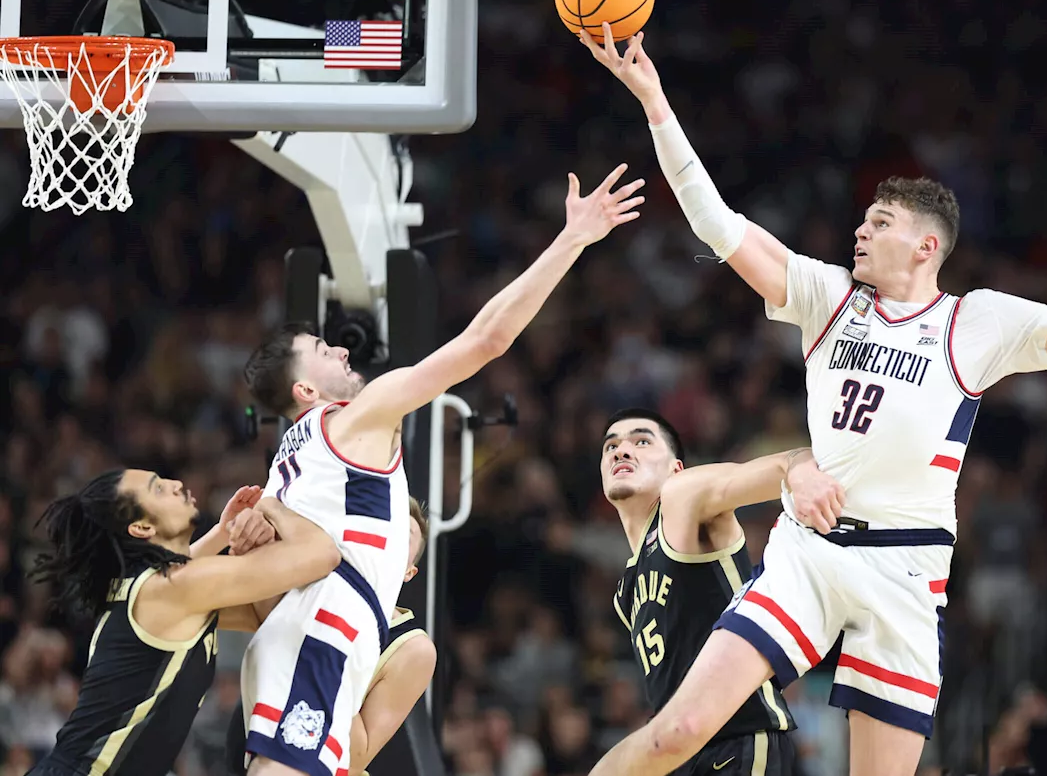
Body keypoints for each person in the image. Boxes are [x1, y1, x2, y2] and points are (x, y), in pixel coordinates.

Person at [581, 24, 1047, 776]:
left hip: (906, 571)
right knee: (679, 731)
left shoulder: (978, 320)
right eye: (863, 219)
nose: (860, 230)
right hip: (811, 553)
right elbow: (716, 221)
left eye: (880, 223)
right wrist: (655, 99)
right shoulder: (828, 294)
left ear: (926, 246)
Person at [239, 163, 644, 776]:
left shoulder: (286, 466)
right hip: (322, 630)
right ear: (303, 389)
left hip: (298, 636)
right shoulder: (354, 417)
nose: (343, 348)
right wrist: (572, 240)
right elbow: (487, 340)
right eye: (324, 350)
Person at [26, 470, 339, 776]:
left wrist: (225, 534)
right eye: (158, 489)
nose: (176, 484)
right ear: (142, 527)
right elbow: (322, 553)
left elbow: (260, 615)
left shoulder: (155, 588)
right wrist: (272, 504)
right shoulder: (171, 590)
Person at [601, 408, 843, 775]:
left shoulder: (681, 499)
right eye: (611, 446)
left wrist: (797, 467)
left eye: (641, 441)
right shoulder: (625, 589)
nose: (621, 450)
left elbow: (774, 466)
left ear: (676, 469)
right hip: (680, 754)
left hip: (738, 742)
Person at [225, 498, 437, 776]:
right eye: (387, 528)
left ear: (409, 571)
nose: (391, 538)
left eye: (404, 536)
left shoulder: (413, 648)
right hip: (253, 738)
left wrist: (329, 655)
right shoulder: (314, 583)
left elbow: (357, 757)